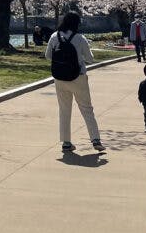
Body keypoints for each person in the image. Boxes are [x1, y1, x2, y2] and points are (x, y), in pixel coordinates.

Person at [45, 12, 105, 153]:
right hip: (78, 77)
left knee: (64, 110)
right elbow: (90, 59)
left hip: (59, 78)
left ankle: (66, 142)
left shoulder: (55, 36)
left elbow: (48, 56)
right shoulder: (80, 38)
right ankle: (95, 139)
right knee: (86, 109)